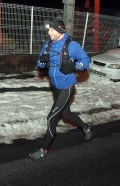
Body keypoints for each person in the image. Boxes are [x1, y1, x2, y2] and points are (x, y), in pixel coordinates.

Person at [29, 20, 93, 161]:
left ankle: (43, 150)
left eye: (52, 30)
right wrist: (42, 60)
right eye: (49, 30)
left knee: (51, 117)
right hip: (55, 86)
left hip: (67, 87)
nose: (49, 32)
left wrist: (75, 66)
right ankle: (86, 126)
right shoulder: (48, 44)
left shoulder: (72, 46)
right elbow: (39, 63)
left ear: (60, 31)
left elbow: (85, 60)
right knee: (67, 115)